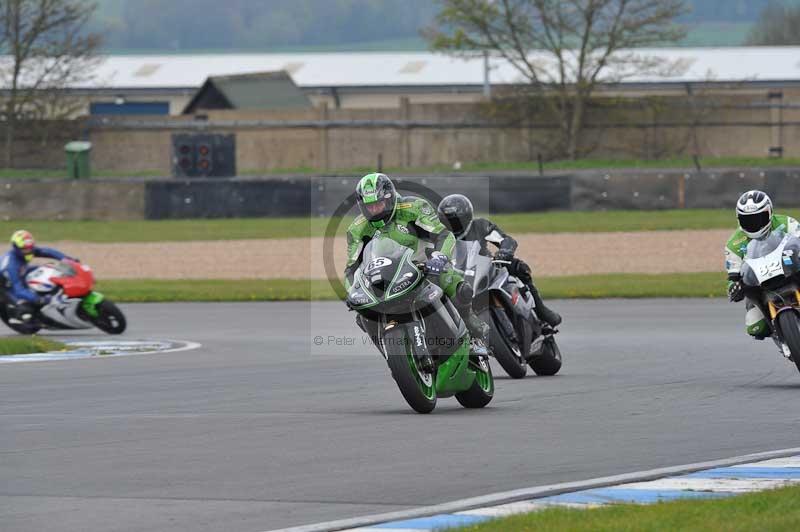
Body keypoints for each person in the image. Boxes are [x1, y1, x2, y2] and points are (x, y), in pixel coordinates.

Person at [344, 173, 490, 345]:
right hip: (386, 277)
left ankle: (471, 325)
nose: (375, 210)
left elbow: (443, 235)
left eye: (379, 204)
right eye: (370, 206)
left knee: (456, 286)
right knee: (363, 315)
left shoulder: (413, 207)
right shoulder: (357, 229)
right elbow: (351, 267)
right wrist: (352, 290)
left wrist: (439, 258)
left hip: (425, 266)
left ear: (389, 198)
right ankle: (391, 351)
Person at [436, 194, 562, 327]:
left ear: (467, 217)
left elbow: (505, 240)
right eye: (448, 221)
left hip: (488, 267)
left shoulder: (480, 225)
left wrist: (504, 252)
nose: (453, 225)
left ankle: (541, 311)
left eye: (456, 221)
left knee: (519, 267)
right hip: (459, 276)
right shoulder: (440, 236)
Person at [725, 190, 800, 339]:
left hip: (788, 271)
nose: (754, 224)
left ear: (769, 212)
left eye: (759, 218)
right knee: (755, 327)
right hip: (760, 285)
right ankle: (782, 337)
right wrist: (733, 289)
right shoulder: (733, 244)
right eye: (748, 220)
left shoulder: (787, 222)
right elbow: (732, 275)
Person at [0, 230, 75, 321]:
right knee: (25, 307)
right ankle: (19, 317)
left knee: (46, 268)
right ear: (16, 248)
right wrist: (38, 299)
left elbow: (47, 252)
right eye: (25, 249)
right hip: (5, 285)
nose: (28, 251)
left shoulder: (26, 250)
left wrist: (67, 259)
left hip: (21, 271)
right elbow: (18, 289)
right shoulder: (12, 265)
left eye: (30, 248)